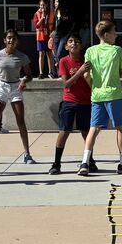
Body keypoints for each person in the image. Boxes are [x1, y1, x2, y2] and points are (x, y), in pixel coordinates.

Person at [80, 19, 122, 176]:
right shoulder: (117, 50)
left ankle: (84, 162)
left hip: (97, 94)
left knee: (94, 128)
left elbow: (86, 74)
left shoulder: (90, 51)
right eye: (114, 32)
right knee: (121, 128)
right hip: (114, 93)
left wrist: (94, 86)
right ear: (106, 35)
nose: (116, 35)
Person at [0, 27, 35, 163]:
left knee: (20, 121)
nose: (11, 40)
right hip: (2, 86)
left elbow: (29, 75)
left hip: (15, 86)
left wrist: (25, 80)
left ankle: (27, 153)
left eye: (14, 38)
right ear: (4, 40)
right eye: (9, 38)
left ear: (17, 41)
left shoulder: (22, 57)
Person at [50, 31, 94, 174]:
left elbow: (91, 81)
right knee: (64, 131)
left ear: (81, 46)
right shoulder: (64, 61)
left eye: (76, 41)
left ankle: (89, 161)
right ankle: (56, 163)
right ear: (67, 46)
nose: (73, 44)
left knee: (86, 132)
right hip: (69, 102)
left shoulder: (86, 61)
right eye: (70, 42)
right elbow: (66, 84)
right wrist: (80, 72)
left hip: (85, 102)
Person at [33, 0, 52, 76]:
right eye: (41, 5)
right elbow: (36, 26)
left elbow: (52, 24)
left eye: (43, 5)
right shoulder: (37, 14)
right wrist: (42, 18)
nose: (42, 7)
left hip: (48, 36)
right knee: (41, 54)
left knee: (49, 54)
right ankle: (41, 72)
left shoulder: (50, 13)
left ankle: (50, 72)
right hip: (40, 37)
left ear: (46, 5)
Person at [50, 0, 70, 64]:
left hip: (63, 35)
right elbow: (53, 25)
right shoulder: (54, 11)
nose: (55, 3)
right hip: (56, 35)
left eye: (56, 1)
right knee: (55, 56)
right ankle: (59, 73)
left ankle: (62, 73)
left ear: (60, 2)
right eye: (55, 1)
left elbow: (66, 24)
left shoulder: (66, 12)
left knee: (59, 54)